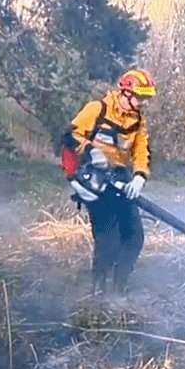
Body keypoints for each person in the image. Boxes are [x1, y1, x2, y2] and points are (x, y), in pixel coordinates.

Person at [63, 68, 155, 295]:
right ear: (126, 92)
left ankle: (119, 288)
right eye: (140, 97)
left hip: (121, 177)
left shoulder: (138, 120)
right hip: (94, 178)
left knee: (134, 236)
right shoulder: (98, 109)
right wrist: (91, 151)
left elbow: (141, 151)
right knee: (108, 238)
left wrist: (140, 176)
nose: (142, 102)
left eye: (145, 98)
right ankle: (99, 292)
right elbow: (69, 136)